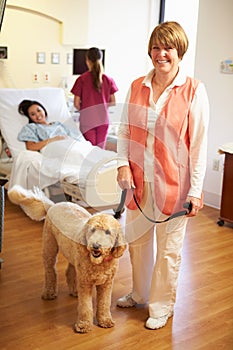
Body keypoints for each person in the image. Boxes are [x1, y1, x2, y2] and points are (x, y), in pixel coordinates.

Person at [116, 21, 209, 330]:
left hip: (174, 185)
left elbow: (197, 145)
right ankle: (139, 293)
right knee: (138, 242)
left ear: (179, 51)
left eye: (167, 47)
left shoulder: (194, 90)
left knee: (168, 250)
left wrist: (195, 190)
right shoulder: (136, 86)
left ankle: (161, 306)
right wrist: (122, 164)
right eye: (156, 47)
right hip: (138, 182)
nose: (161, 54)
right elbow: (125, 130)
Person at [71, 47, 118, 149]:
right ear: (101, 60)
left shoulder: (81, 79)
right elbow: (113, 102)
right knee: (100, 151)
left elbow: (76, 103)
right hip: (103, 120)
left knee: (89, 151)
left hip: (87, 120)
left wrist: (86, 108)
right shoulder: (108, 80)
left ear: (87, 60)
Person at [17, 100, 82, 151]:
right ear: (30, 117)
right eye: (33, 114)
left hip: (71, 145)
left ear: (44, 110)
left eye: (39, 110)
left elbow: (74, 137)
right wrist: (53, 139)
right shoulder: (31, 127)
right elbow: (31, 147)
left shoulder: (57, 124)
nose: (37, 115)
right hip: (56, 149)